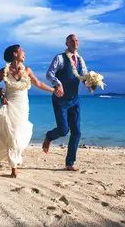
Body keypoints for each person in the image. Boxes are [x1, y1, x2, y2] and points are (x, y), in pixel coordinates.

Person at [0, 44, 55, 178]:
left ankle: (14, 158)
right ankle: (14, 168)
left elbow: (38, 84)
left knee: (20, 135)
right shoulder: (4, 71)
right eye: (22, 51)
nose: (25, 54)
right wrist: (1, 96)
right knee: (12, 135)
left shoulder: (27, 70)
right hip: (10, 105)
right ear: (15, 54)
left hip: (23, 107)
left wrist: (53, 90)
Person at [42, 34, 87, 171]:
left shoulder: (80, 60)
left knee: (77, 132)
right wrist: (58, 84)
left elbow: (83, 77)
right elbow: (50, 74)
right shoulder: (60, 58)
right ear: (66, 43)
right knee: (63, 130)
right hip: (60, 100)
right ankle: (49, 136)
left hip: (74, 100)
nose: (75, 42)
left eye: (76, 40)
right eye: (72, 40)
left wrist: (91, 83)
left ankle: (70, 163)